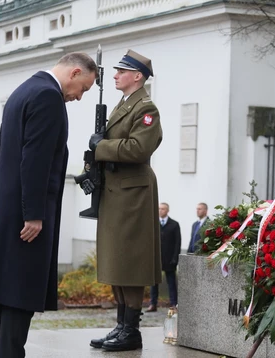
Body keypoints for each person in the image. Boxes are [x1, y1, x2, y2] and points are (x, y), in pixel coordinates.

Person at [0, 53, 98, 358]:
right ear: (75, 72)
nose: (79, 97)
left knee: (3, 295)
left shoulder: (23, 89)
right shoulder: (48, 96)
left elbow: (2, 153)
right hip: (26, 216)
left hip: (6, 207)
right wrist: (34, 215)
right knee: (19, 294)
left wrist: (6, 203)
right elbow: (36, 160)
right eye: (84, 88)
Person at [88, 50, 163, 352]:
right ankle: (121, 326)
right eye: (117, 71)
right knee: (117, 259)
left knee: (130, 261)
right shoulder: (124, 104)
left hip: (133, 193)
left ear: (137, 76)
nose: (116, 75)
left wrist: (102, 147)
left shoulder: (147, 109)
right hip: (117, 190)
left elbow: (138, 149)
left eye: (122, 71)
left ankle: (131, 330)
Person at [147, 202, 181, 312]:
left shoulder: (174, 224)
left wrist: (175, 258)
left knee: (171, 282)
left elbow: (177, 243)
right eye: (159, 208)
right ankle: (153, 304)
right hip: (156, 258)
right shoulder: (153, 223)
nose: (160, 210)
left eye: (163, 209)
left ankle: (173, 304)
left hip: (169, 258)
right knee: (154, 283)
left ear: (167, 210)